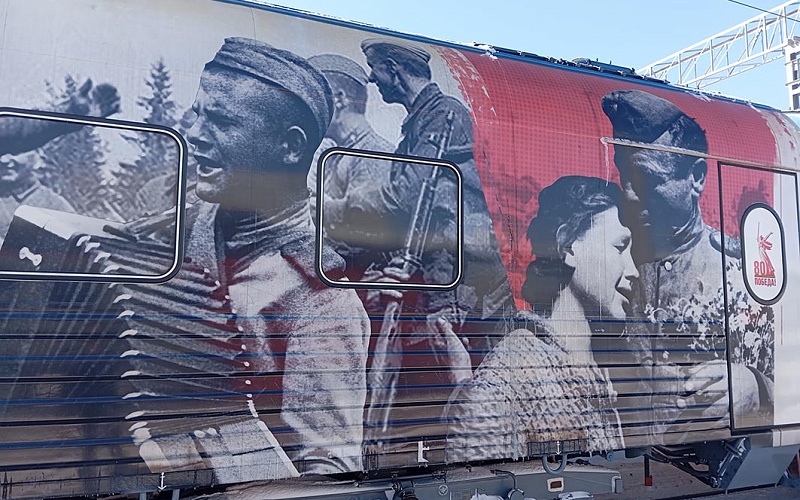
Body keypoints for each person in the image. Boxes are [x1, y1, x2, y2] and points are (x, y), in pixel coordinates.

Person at [130, 37, 371, 480]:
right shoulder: (170, 233)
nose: (194, 134)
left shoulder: (320, 302)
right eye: (197, 114)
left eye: (221, 121)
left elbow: (326, 472)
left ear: (290, 147)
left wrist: (202, 455)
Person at [357, 38, 514, 452]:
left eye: (376, 69)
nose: (372, 79)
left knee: (459, 382)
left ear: (394, 70)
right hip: (441, 275)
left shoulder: (444, 116)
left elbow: (411, 194)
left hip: (458, 282)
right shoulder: (422, 121)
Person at [601, 89, 774, 438]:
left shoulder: (739, 270)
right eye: (624, 175)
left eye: (647, 179)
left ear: (696, 177)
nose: (629, 193)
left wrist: (756, 387)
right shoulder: (611, 262)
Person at [446, 176, 636, 462]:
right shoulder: (517, 364)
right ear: (568, 246)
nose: (633, 270)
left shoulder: (595, 367)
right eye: (620, 247)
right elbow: (471, 456)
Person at [306, 53, 394, 280]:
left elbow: (360, 241)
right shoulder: (337, 154)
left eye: (314, 99)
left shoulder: (374, 156)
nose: (309, 111)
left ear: (339, 99)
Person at [0, 80, 120, 243]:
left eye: (16, 151)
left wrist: (71, 113)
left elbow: (17, 129)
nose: (5, 159)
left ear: (39, 156)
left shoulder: (54, 205)